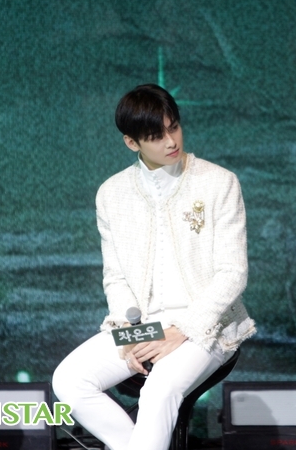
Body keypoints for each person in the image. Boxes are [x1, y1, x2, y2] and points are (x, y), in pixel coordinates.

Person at [53, 84, 255, 450]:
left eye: (173, 127)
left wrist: (183, 330)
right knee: (68, 380)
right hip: (143, 326)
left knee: (160, 389)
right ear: (132, 142)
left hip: (205, 325)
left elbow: (233, 273)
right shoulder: (111, 193)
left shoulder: (218, 182)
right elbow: (115, 277)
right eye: (156, 136)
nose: (171, 141)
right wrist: (131, 332)